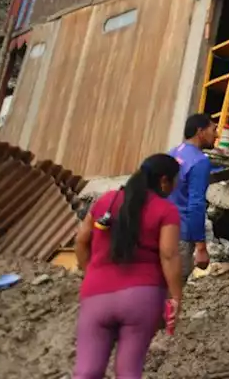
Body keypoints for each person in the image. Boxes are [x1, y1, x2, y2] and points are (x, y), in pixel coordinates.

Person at [74, 153, 183, 379]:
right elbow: (169, 255)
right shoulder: (166, 210)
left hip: (96, 294)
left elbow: (82, 240)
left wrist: (90, 273)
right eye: (175, 180)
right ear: (164, 180)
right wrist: (176, 297)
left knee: (87, 371)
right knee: (128, 371)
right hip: (143, 298)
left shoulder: (106, 201)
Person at [170, 114, 218, 280]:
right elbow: (196, 205)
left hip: (160, 229)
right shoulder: (200, 162)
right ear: (201, 131)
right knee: (171, 293)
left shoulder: (174, 152)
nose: (216, 135)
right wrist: (201, 248)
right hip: (180, 236)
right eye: (213, 129)